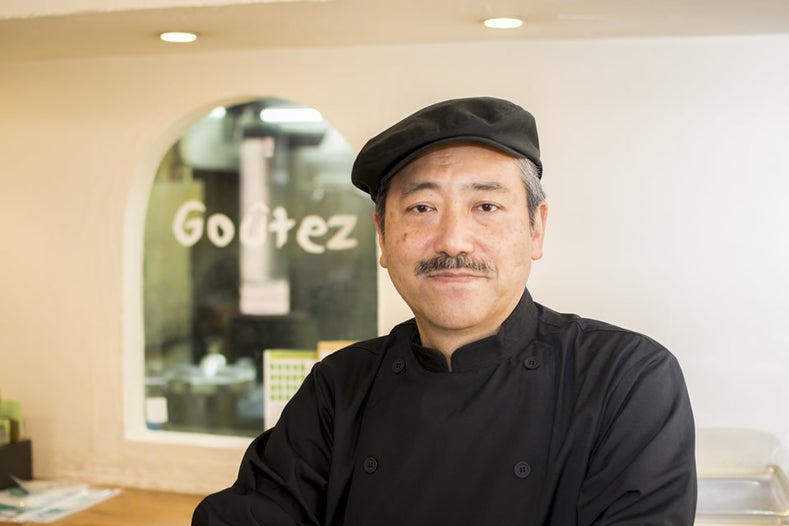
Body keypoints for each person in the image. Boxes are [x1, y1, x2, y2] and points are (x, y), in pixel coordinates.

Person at [192, 96, 697, 525]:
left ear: (535, 228)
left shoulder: (625, 378)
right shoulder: (340, 387)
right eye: (421, 208)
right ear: (382, 237)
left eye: (486, 206)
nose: (453, 240)